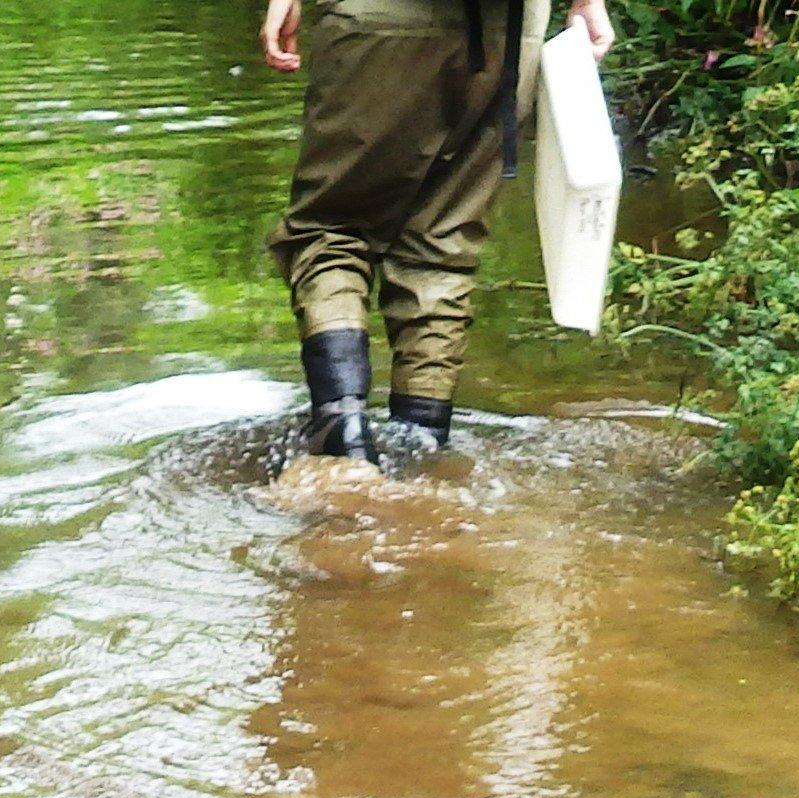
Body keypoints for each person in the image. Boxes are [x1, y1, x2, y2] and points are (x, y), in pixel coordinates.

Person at [261, 0, 615, 460]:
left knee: (333, 227)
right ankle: (422, 445)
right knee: (442, 243)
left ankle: (342, 432)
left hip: (376, 17)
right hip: (507, 31)